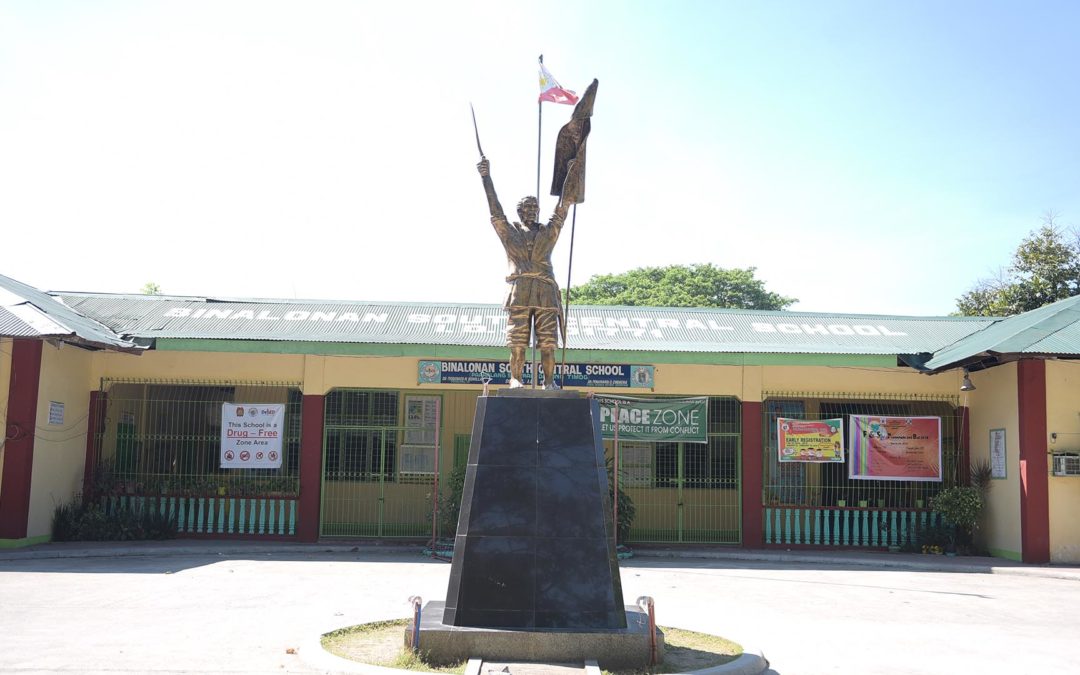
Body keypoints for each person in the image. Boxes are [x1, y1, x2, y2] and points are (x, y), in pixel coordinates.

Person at [477, 157, 571, 388]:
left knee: (548, 343)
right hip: (519, 291)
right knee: (517, 342)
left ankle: (549, 383)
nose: (531, 211)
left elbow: (563, 208)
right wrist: (486, 178)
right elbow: (496, 212)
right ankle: (516, 379)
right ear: (519, 212)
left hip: (545, 291)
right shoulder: (510, 233)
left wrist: (571, 173)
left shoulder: (548, 233)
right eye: (526, 208)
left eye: (534, 208)